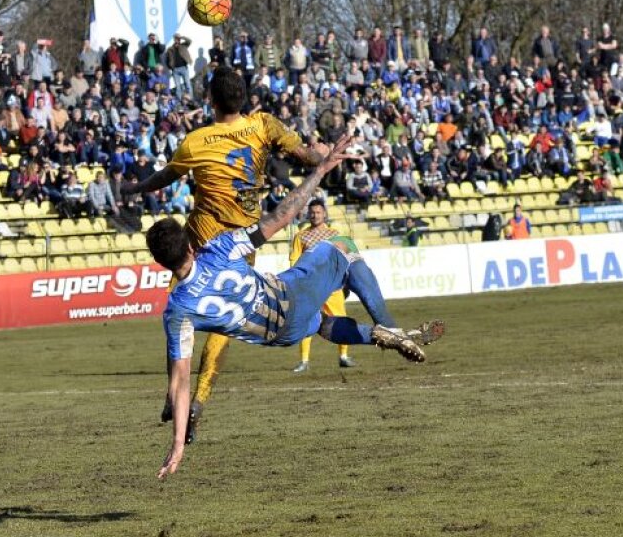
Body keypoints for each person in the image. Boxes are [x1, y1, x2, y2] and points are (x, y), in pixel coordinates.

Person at [149, 134, 444, 479]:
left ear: (161, 263)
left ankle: (380, 334)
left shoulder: (177, 311)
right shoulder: (219, 248)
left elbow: (181, 381)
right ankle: (391, 328)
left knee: (322, 324)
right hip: (288, 296)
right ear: (189, 246)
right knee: (343, 245)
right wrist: (318, 171)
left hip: (279, 337)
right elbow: (282, 215)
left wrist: (178, 444)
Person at [119, 70, 326, 441]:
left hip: (198, 240)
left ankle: (173, 392)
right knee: (224, 322)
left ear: (210, 101)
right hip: (239, 245)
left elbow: (166, 177)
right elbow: (307, 157)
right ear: (244, 98)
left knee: (179, 314)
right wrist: (321, 154)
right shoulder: (265, 124)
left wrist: (135, 187)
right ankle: (198, 399)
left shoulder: (196, 141)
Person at [289, 199, 356, 373]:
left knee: (341, 320)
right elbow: (294, 261)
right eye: (312, 212)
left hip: (333, 287)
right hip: (311, 288)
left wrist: (346, 279)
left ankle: (344, 357)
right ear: (307, 214)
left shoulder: (335, 234)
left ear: (324, 214)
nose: (315, 215)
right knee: (307, 322)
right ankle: (304, 361)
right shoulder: (301, 236)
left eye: (318, 212)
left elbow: (344, 258)